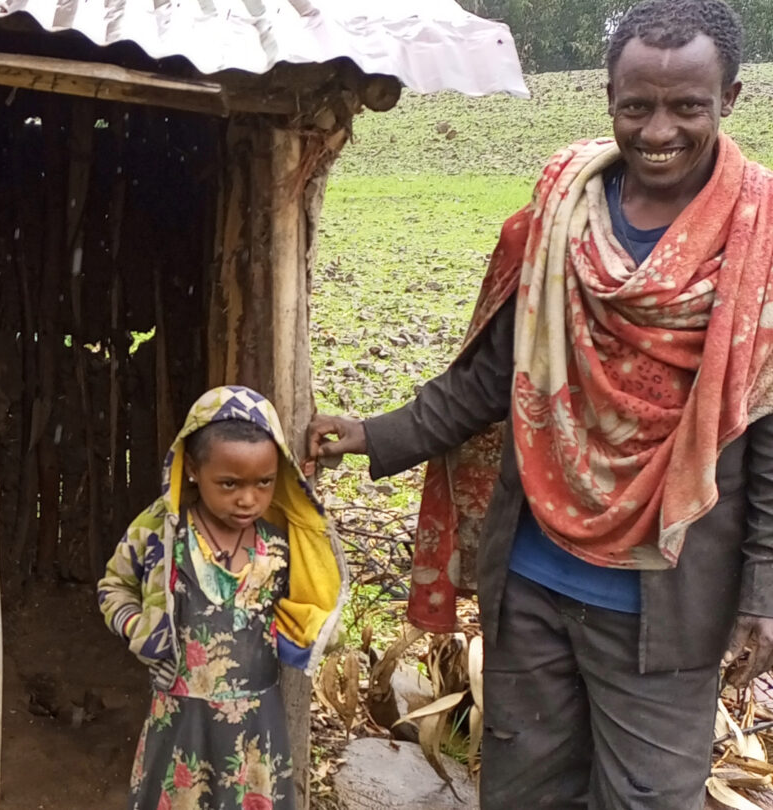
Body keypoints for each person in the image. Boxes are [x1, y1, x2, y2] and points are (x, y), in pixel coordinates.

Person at [307, 1, 773, 807]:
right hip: (533, 578)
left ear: (729, 99)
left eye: (687, 107)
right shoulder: (562, 213)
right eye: (637, 105)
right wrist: (374, 434)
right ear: (609, 97)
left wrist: (763, 594)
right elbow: (497, 375)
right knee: (523, 791)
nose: (659, 129)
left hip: (670, 600)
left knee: (648, 798)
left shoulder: (759, 240)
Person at [99, 386, 346, 810]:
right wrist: (140, 631)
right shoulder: (162, 533)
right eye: (229, 483)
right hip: (179, 721)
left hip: (256, 727)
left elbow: (312, 612)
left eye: (264, 482)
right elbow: (113, 585)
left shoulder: (283, 547)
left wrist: (317, 632)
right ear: (193, 470)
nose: (248, 499)